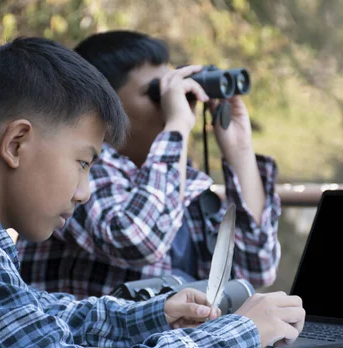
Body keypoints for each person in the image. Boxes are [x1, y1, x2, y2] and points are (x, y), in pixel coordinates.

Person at [0, 36, 305, 348]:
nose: (84, 191)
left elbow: (39, 315)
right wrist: (239, 333)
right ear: (16, 144)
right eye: (83, 162)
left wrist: (156, 315)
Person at [15, 30, 282, 298]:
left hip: (177, 341)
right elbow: (138, 240)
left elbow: (257, 270)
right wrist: (176, 125)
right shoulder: (81, 169)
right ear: (103, 108)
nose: (171, 104)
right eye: (156, 94)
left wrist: (240, 150)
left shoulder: (171, 176)